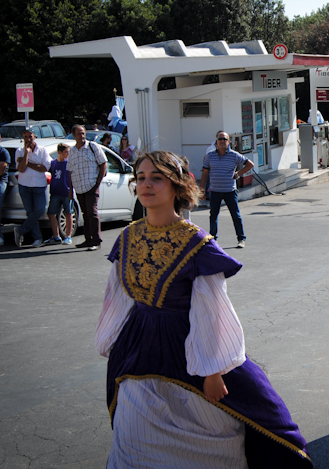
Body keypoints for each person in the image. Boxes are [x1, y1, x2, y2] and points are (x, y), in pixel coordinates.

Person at [95, 150, 312, 468]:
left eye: (157, 178)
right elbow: (117, 297)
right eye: (141, 178)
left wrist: (213, 371)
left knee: (232, 422)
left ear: (176, 186)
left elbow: (211, 310)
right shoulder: (128, 237)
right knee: (134, 434)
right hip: (137, 346)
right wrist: (113, 342)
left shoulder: (197, 243)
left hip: (188, 346)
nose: (146, 184)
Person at [200, 131, 254, 248]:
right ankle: (213, 239)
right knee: (213, 215)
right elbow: (204, 173)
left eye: (224, 139)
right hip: (215, 190)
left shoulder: (234, 155)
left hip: (230, 190)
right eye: (220, 139)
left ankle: (241, 239)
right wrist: (202, 190)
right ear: (216, 141)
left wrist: (238, 173)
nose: (222, 141)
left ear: (229, 141)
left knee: (235, 215)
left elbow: (250, 164)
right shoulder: (210, 156)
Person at [68, 124, 107, 251]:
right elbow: (70, 171)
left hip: (91, 185)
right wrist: (70, 189)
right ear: (73, 135)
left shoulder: (92, 146)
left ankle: (96, 240)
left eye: (83, 133)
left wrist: (98, 182)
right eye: (79, 134)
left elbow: (103, 163)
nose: (82, 136)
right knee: (85, 213)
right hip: (79, 187)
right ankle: (88, 239)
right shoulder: (72, 151)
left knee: (92, 212)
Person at [13, 130, 52, 248]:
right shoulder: (19, 151)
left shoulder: (43, 150)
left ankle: (21, 230)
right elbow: (21, 169)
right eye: (25, 137)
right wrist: (26, 154)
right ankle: (37, 238)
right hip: (24, 185)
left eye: (30, 136)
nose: (28, 139)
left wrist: (28, 163)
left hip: (39, 185)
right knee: (30, 212)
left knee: (39, 210)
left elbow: (44, 168)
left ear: (34, 137)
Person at [44, 143, 74, 245]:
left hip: (66, 191)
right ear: (59, 152)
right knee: (51, 213)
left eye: (68, 152)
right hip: (55, 191)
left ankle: (68, 236)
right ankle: (56, 236)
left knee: (68, 213)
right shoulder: (53, 163)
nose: (68, 154)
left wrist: (71, 190)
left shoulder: (69, 163)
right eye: (66, 152)